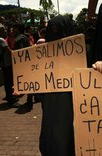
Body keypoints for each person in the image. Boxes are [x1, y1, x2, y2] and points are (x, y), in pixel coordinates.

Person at [39, 14, 76, 156]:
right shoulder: (42, 54)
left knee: (66, 133)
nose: (55, 34)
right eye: (52, 30)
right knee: (51, 132)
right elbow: (35, 79)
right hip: (49, 103)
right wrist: (22, 88)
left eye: (59, 30)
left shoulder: (80, 52)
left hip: (69, 102)